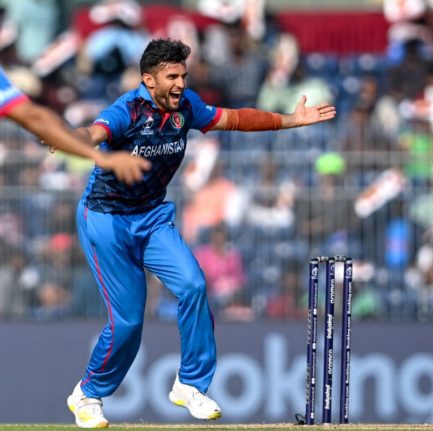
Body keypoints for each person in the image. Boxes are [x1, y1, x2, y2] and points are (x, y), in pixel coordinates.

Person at [65, 38, 335, 429]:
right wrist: (71, 139)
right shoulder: (127, 110)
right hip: (106, 220)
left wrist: (290, 120)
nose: (179, 83)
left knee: (192, 284)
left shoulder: (186, 106)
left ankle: (189, 384)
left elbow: (236, 119)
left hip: (152, 216)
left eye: (183, 75)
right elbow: (96, 131)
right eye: (171, 76)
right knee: (127, 323)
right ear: (148, 80)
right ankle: (87, 394)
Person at [0, 66, 150, 185]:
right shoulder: (121, 111)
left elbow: (34, 116)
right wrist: (102, 158)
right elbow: (34, 117)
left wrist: (62, 135)